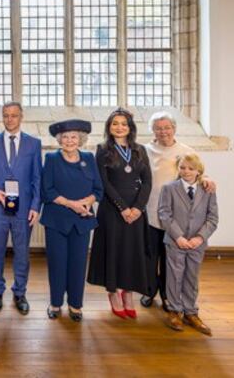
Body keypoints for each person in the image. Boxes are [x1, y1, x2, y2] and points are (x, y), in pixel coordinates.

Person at [142, 111, 215, 311]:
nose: (163, 131)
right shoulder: (144, 150)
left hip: (173, 217)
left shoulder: (185, 150)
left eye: (167, 127)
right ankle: (149, 291)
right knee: (149, 256)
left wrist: (207, 178)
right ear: (153, 131)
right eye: (158, 128)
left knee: (168, 259)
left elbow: (197, 171)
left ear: (174, 129)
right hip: (149, 210)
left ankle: (167, 295)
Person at [87, 108, 152, 319]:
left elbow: (147, 181)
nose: (119, 127)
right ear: (109, 127)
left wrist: (137, 208)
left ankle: (129, 294)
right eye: (115, 123)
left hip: (136, 211)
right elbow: (104, 183)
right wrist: (123, 208)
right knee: (113, 251)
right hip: (112, 210)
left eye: (124, 123)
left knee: (132, 253)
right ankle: (113, 293)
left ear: (130, 127)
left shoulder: (140, 150)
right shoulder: (103, 150)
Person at [0, 101, 42, 315]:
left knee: (22, 252)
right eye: (6, 115)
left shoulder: (33, 143)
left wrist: (35, 206)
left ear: (21, 116)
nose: (9, 119)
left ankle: (20, 292)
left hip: (24, 209)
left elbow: (37, 178)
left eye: (14, 115)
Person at [41, 119, 103, 322]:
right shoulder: (51, 159)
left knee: (78, 263)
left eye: (74, 137)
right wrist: (72, 204)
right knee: (57, 263)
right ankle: (55, 303)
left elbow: (98, 190)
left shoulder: (88, 158)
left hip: (82, 220)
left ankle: (76, 305)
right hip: (57, 220)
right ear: (59, 139)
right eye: (65, 137)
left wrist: (86, 202)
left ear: (81, 139)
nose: (69, 141)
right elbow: (47, 191)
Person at [159, 154, 218, 336]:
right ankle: (175, 310)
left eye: (191, 169)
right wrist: (178, 237)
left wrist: (200, 238)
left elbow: (212, 217)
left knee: (192, 276)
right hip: (176, 241)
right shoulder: (169, 188)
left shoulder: (207, 190)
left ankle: (191, 312)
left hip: (196, 243)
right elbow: (164, 214)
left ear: (199, 171)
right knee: (174, 275)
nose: (186, 171)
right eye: (183, 167)